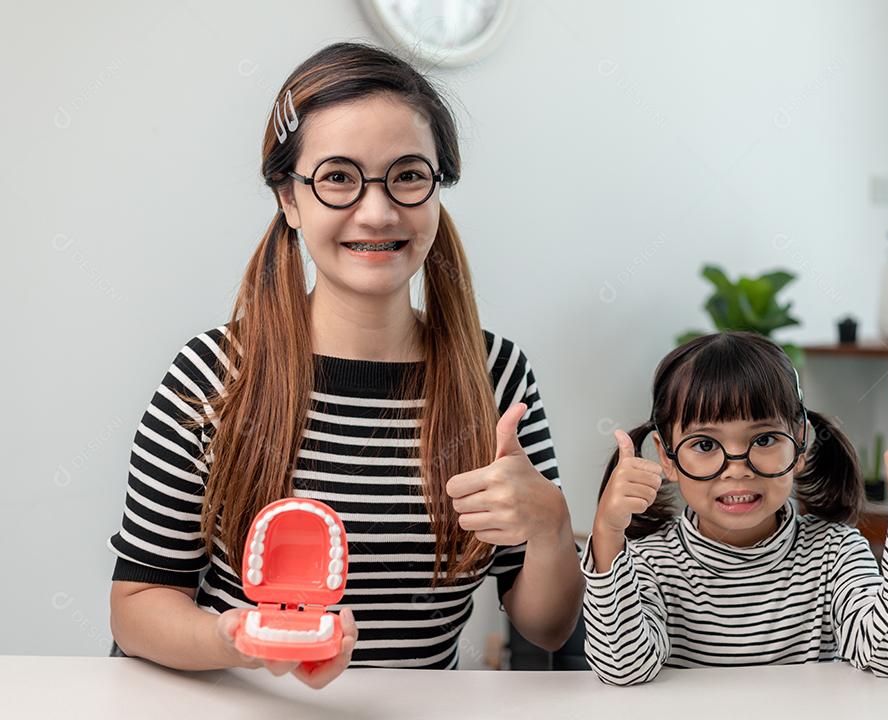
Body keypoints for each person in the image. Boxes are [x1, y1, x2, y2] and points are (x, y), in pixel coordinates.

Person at [107, 42, 582, 689]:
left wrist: (551, 527)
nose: (379, 211)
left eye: (409, 175)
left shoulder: (497, 373)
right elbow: (136, 608)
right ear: (289, 198)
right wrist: (238, 637)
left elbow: (545, 627)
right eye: (338, 177)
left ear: (438, 187)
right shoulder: (211, 376)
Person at [582, 331, 888, 685]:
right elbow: (623, 669)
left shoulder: (835, 553)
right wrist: (608, 536)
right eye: (705, 445)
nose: (737, 468)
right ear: (667, 458)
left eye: (763, 439)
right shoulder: (648, 562)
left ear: (799, 444)